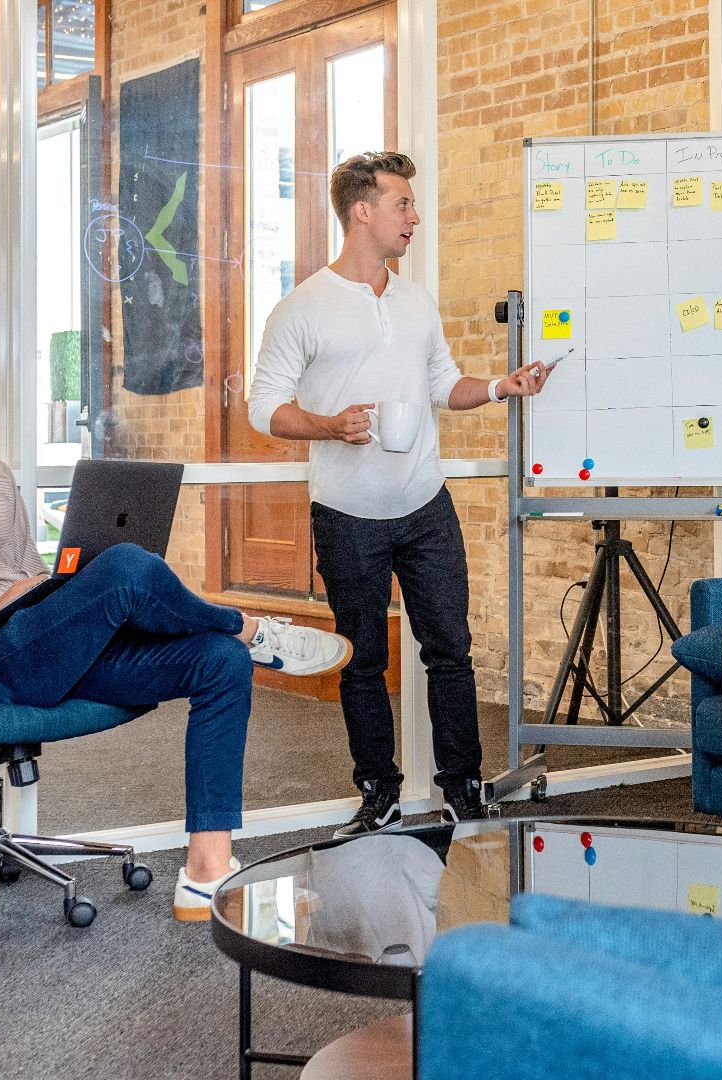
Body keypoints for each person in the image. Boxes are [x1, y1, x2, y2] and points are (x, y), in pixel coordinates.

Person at [0, 324, 352, 921]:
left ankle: (206, 870)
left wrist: (63, 586)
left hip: (39, 640)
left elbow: (28, 572)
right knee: (126, 568)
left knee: (215, 661)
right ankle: (249, 629)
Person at [248, 151, 550, 835]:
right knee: (362, 655)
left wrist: (502, 386)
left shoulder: (415, 302)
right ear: (363, 210)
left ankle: (461, 788)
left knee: (450, 649)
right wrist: (331, 424)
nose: (414, 216)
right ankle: (379, 790)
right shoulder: (303, 307)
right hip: (347, 513)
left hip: (425, 506)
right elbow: (263, 408)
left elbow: (445, 385)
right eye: (402, 203)